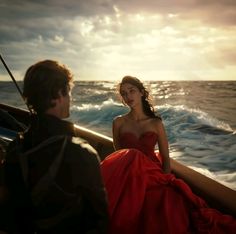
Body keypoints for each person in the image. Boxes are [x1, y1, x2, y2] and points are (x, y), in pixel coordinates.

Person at [100, 76, 236, 234]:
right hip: (129, 175)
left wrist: (165, 178)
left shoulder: (156, 123)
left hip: (153, 175)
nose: (128, 96)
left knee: (168, 201)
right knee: (132, 155)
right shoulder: (118, 122)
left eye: (132, 91)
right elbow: (119, 155)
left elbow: (165, 157)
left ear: (142, 93)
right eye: (124, 94)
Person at [1, 60, 108, 234]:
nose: (70, 99)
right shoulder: (82, 153)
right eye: (69, 92)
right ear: (59, 93)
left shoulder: (14, 149)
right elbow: (99, 222)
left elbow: (8, 214)